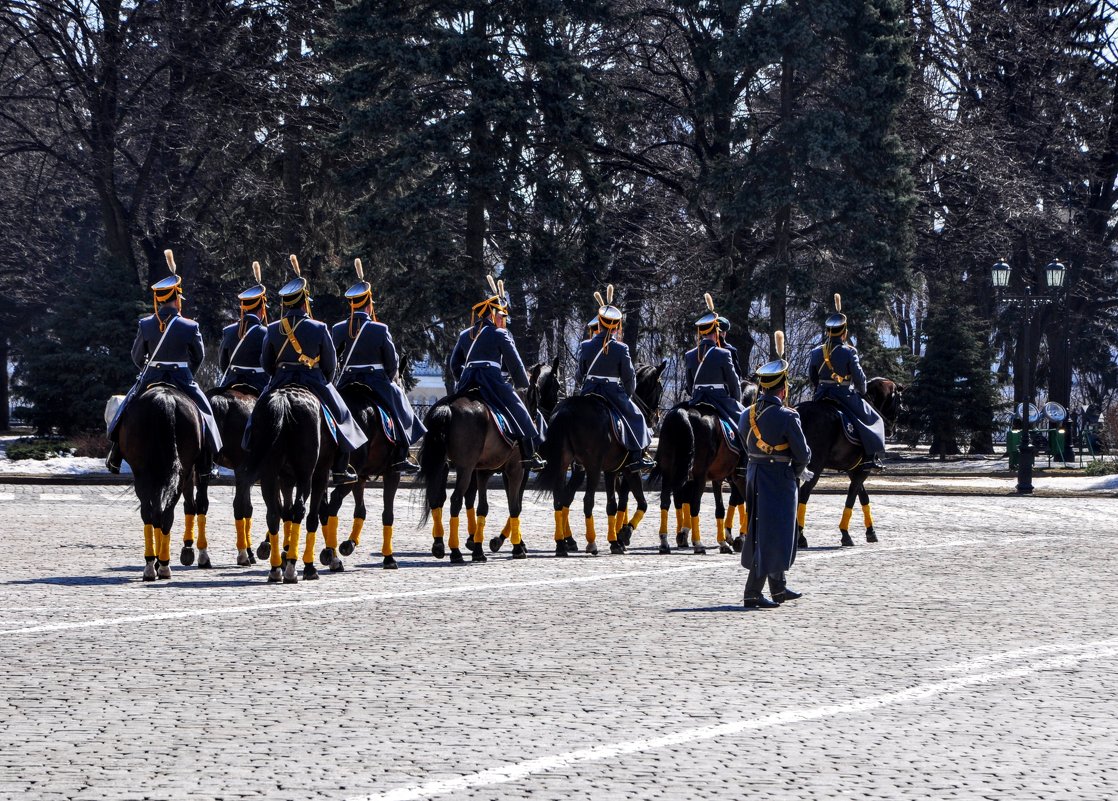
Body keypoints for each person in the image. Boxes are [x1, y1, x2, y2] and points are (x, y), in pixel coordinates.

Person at [247, 255, 367, 485]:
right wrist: (325, 381)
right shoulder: (319, 327)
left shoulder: (272, 328)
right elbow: (330, 365)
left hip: (280, 380)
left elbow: (266, 363)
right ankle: (341, 467)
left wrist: (278, 375)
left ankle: (252, 448)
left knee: (256, 416)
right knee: (342, 415)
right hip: (313, 379)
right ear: (305, 302)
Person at [106, 250, 222, 477]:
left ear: (159, 299)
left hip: (151, 375)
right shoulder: (190, 325)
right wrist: (188, 374)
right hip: (181, 377)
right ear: (177, 299)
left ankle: (115, 454)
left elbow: (136, 355)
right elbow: (198, 356)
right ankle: (208, 460)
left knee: (126, 406)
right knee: (204, 411)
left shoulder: (146, 324)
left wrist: (147, 370)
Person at [739, 331, 812, 608]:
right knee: (775, 534)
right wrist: (796, 471)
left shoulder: (747, 414)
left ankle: (778, 588)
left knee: (765, 531)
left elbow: (745, 445)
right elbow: (803, 454)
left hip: (755, 475)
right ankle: (752, 593)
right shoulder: (787, 416)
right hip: (780, 479)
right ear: (783, 389)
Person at [330, 259, 424, 474]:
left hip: (347, 381)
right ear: (369, 303)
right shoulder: (380, 329)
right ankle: (401, 453)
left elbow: (332, 358)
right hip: (375, 381)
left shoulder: (338, 328)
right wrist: (391, 378)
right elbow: (392, 363)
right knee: (398, 406)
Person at [448, 276, 546, 470]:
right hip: (491, 381)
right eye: (502, 316)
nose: (504, 320)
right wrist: (523, 385)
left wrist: (464, 377)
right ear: (492, 315)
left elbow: (454, 364)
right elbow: (515, 365)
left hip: (467, 382)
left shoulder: (464, 334)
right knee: (520, 410)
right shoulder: (499, 334)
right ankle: (529, 455)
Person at [574, 285, 655, 472]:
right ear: (616, 326)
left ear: (600, 323)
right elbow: (629, 378)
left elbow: (579, 375)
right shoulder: (621, 348)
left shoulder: (585, 345)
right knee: (636, 417)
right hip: (612, 393)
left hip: (589, 391)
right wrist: (626, 396)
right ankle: (636, 456)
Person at [807, 294, 886, 469]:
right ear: (844, 333)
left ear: (828, 332)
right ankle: (869, 458)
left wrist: (820, 388)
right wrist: (863, 391)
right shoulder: (849, 351)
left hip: (821, 394)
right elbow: (859, 378)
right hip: (843, 395)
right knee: (873, 419)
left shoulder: (816, 352)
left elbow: (812, 376)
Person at [685, 296, 744, 433]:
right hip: (719, 400)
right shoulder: (723, 354)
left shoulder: (689, 354)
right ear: (716, 331)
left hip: (697, 399)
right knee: (744, 425)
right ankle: (743, 454)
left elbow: (689, 385)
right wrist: (735, 402)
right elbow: (734, 383)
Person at [214, 262, 270, 395]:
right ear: (262, 310)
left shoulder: (229, 331)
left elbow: (223, 363)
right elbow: (269, 363)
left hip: (232, 381)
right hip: (260, 383)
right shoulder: (266, 332)